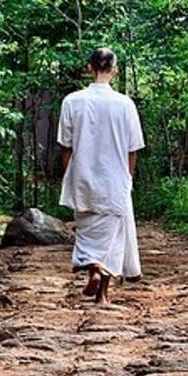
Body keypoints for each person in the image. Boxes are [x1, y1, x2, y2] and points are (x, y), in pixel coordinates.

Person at [57, 47, 145, 305]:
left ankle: (93, 268)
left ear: (89, 68)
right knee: (112, 239)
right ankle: (103, 295)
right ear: (114, 70)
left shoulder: (72, 101)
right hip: (114, 180)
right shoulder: (125, 104)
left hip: (83, 177)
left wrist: (68, 175)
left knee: (86, 231)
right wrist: (129, 176)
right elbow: (133, 149)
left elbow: (66, 146)